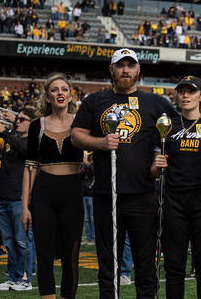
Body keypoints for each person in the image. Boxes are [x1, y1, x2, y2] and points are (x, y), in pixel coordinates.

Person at [71, 48, 178, 298]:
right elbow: (76, 136)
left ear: (139, 70)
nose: (125, 70)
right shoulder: (94, 101)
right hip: (107, 195)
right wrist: (101, 143)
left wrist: (157, 154)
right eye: (120, 65)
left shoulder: (156, 102)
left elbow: (176, 134)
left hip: (144, 195)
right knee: (108, 266)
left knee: (144, 266)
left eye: (131, 65)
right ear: (111, 70)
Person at [152, 76, 201, 299]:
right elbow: (154, 169)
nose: (186, 95)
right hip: (174, 201)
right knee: (174, 266)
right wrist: (157, 166)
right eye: (182, 91)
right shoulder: (166, 124)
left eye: (191, 91)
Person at [21, 72, 85, 298]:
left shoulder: (81, 123)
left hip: (72, 193)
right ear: (47, 97)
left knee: (71, 258)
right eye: (55, 90)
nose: (60, 93)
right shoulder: (35, 126)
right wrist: (25, 207)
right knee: (45, 257)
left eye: (64, 89)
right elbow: (29, 168)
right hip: (43, 193)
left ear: (70, 95)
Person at [0, 107, 36, 291]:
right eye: (17, 119)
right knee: (9, 242)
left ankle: (25, 279)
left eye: (22, 119)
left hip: (19, 198)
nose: (18, 122)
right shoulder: (10, 139)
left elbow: (24, 149)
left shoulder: (31, 141)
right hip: (3, 196)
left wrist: (4, 131)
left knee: (22, 241)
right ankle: (13, 277)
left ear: (32, 123)